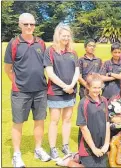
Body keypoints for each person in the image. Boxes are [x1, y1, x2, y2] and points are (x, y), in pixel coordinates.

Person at [4, 13, 51, 167]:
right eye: (26, 24)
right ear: (20, 25)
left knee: (39, 121)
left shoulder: (41, 43)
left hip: (40, 91)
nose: (29, 27)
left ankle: (38, 149)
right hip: (21, 92)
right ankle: (17, 154)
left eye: (32, 24)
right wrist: (17, 84)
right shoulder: (13, 44)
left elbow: (47, 66)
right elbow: (8, 69)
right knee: (18, 122)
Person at [44, 23, 80, 160]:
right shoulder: (50, 51)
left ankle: (65, 146)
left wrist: (71, 85)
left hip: (70, 91)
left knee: (67, 120)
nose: (66, 38)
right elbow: (50, 73)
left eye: (67, 36)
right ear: (57, 36)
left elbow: (77, 71)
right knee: (54, 121)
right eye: (63, 35)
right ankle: (53, 148)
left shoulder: (73, 52)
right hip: (55, 92)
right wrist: (64, 86)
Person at [76, 73, 110, 167]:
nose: (97, 90)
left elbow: (107, 123)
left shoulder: (104, 100)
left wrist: (106, 144)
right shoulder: (83, 103)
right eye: (94, 88)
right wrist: (94, 148)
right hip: (88, 147)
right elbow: (83, 128)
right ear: (88, 86)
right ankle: (71, 161)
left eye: (99, 87)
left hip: (101, 145)